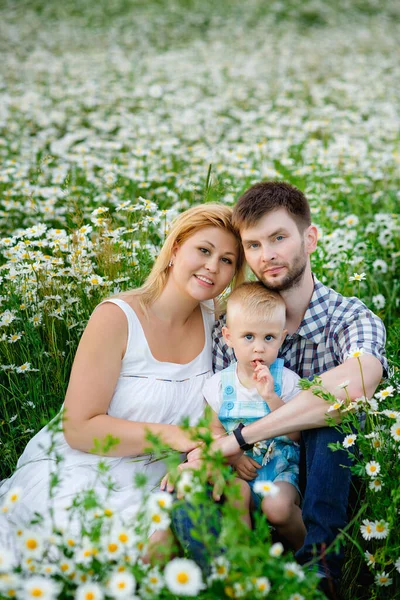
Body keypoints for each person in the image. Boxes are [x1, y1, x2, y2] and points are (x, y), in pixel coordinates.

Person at [176, 181, 388, 597]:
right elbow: (219, 402)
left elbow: (362, 377)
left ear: (309, 238)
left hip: (322, 474)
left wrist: (239, 439)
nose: (266, 255)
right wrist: (222, 448)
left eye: (278, 238)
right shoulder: (236, 326)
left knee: (331, 418)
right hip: (247, 471)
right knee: (190, 486)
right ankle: (228, 572)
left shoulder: (347, 317)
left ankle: (319, 569)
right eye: (253, 245)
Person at [0, 203, 245, 549]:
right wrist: (178, 436)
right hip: (88, 467)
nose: (212, 266)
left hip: (164, 477)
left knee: (167, 549)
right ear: (175, 250)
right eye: (203, 250)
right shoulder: (117, 318)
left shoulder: (221, 324)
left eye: (227, 260)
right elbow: (79, 428)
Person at [202, 281, 306, 550]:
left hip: (279, 470)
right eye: (248, 337)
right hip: (238, 471)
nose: (258, 348)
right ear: (228, 337)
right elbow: (212, 431)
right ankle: (247, 562)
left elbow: (295, 435)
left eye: (268, 338)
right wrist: (234, 456)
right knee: (237, 495)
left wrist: (271, 396)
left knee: (278, 508)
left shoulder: (288, 381)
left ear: (282, 338)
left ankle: (314, 555)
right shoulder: (218, 385)